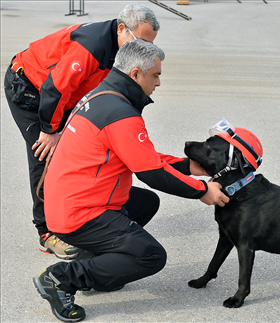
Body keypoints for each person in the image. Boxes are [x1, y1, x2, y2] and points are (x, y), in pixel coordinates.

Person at [32, 39, 229, 322]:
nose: (159, 82)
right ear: (136, 74)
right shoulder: (120, 113)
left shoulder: (103, 96)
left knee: (145, 203)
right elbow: (151, 173)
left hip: (67, 199)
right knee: (149, 255)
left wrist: (188, 166)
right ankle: (61, 278)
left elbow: (141, 156)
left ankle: (92, 263)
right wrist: (202, 191)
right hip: (78, 212)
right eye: (156, 75)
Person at [3, 4, 160, 260]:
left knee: (78, 152)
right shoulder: (93, 45)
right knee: (45, 156)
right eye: (140, 41)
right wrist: (50, 130)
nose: (142, 49)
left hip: (63, 96)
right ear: (122, 29)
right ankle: (47, 232)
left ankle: (82, 213)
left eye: (149, 44)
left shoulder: (124, 51)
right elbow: (55, 88)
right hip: (31, 89)